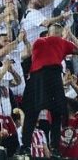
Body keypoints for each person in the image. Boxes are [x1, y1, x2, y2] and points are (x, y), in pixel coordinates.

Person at [20, 24, 78, 155]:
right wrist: (70, 35)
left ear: (48, 33)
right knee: (57, 113)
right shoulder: (63, 42)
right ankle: (55, 149)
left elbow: (28, 55)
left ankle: (25, 147)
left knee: (31, 113)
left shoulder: (38, 41)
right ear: (61, 34)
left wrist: (25, 41)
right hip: (54, 77)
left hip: (36, 78)